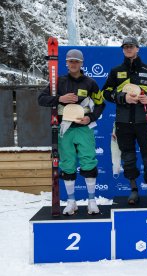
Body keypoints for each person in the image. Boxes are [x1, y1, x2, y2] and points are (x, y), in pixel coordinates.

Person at [38, 49, 105, 215]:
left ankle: (91, 200)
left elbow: (101, 103)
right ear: (66, 63)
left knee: (88, 162)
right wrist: (60, 98)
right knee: (67, 164)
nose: (73, 64)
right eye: (70, 61)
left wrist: (91, 117)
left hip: (83, 129)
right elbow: (41, 99)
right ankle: (71, 201)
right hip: (65, 128)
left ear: (82, 63)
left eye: (77, 61)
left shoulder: (90, 83)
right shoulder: (58, 82)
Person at [102, 37, 147, 204]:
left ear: (138, 49)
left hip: (144, 122)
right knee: (128, 157)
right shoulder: (116, 71)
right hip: (123, 123)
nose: (128, 49)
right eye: (125, 47)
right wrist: (122, 97)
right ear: (123, 50)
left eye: (131, 46)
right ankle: (133, 188)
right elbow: (106, 93)